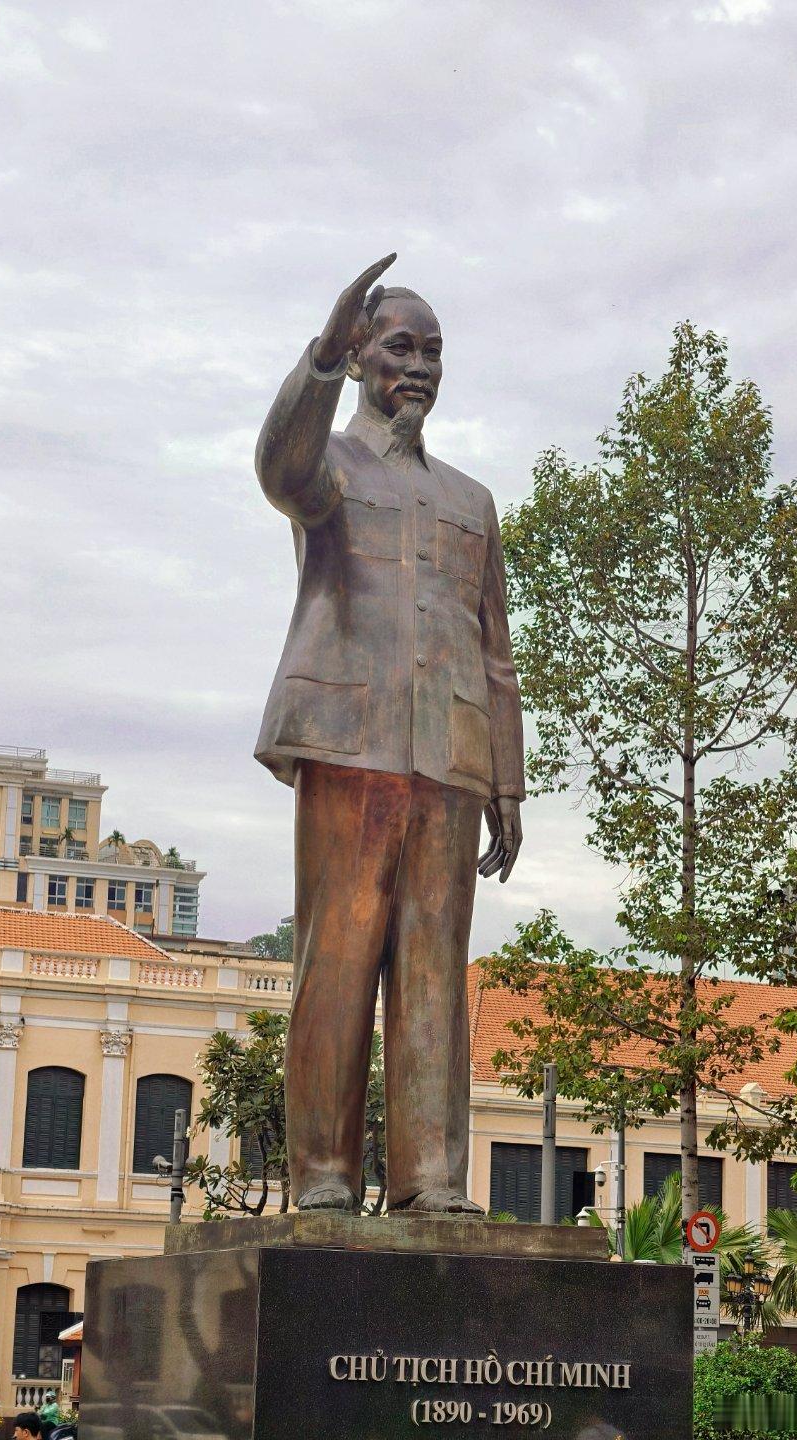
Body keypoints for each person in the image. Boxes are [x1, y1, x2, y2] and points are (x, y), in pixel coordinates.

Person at [255, 254, 526, 1215]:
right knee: (337, 958)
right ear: (364, 353)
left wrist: (507, 781)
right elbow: (279, 467)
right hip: (348, 741)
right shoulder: (327, 464)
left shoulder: (471, 501)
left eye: (434, 353)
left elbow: (495, 652)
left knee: (432, 975)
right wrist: (318, 361)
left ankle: (431, 1181)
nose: (418, 367)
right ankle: (323, 1177)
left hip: (448, 759)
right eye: (400, 347)